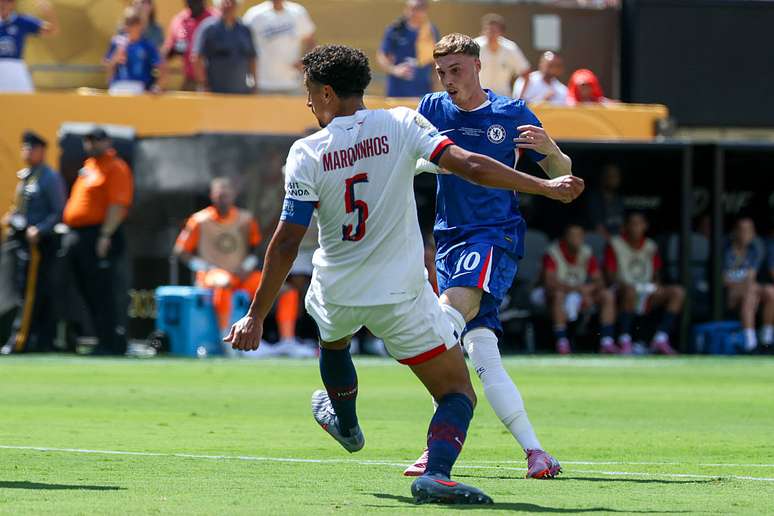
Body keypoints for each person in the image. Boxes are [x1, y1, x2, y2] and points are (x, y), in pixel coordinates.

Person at [225, 45, 582, 504]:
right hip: (400, 295)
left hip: (336, 288)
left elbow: (286, 241)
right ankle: (436, 473)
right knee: (457, 391)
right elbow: (471, 166)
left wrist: (255, 316)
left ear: (329, 94)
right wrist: (542, 186)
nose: (309, 103)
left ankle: (347, 424)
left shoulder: (305, 152)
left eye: (311, 94)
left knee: (332, 342)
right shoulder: (401, 123)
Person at [405, 33, 576, 480]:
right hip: (448, 240)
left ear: (479, 67)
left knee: (439, 326)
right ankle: (537, 453)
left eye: (456, 70)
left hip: (492, 236)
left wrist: (550, 150)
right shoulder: (432, 109)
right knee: (481, 351)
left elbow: (562, 175)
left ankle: (438, 446)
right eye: (442, 72)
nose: (448, 81)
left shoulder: (512, 113)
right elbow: (406, 156)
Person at [173, 177, 308, 356]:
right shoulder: (199, 220)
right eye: (220, 195)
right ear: (212, 196)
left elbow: (254, 248)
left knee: (286, 290)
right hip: (211, 275)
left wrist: (247, 265)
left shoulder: (246, 219)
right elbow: (180, 250)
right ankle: (229, 341)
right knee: (223, 282)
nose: (224, 199)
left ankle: (287, 341)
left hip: (241, 275)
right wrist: (203, 266)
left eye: (227, 195)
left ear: (234, 196)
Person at [62, 128, 133, 356]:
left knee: (103, 291)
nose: (91, 144)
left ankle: (111, 342)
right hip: (78, 235)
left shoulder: (116, 167)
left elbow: (117, 205)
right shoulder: (89, 166)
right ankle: (98, 339)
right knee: (85, 290)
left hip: (99, 235)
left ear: (108, 141)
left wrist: (105, 235)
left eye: (96, 140)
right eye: (88, 140)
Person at [0, 131, 65, 354]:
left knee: (29, 294)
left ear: (42, 151)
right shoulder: (25, 176)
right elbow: (20, 207)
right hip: (18, 241)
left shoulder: (49, 178)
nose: (27, 152)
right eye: (24, 147)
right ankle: (33, 338)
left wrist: (40, 229)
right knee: (19, 290)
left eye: (31, 148)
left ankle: (20, 339)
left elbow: (57, 212)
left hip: (37, 245)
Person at [604, 212, 684, 355]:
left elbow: (656, 274)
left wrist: (657, 285)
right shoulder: (615, 244)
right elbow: (610, 276)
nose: (636, 228)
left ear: (645, 226)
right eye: (633, 224)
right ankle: (625, 340)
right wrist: (626, 286)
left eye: (640, 224)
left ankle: (661, 338)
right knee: (630, 291)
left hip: (646, 290)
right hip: (622, 291)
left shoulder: (650, 246)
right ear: (626, 227)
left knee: (677, 292)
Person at [537, 224, 616, 355]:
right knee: (558, 295)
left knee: (607, 295)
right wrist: (578, 290)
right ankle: (562, 341)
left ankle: (607, 342)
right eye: (572, 235)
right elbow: (549, 282)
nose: (576, 239)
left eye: (579, 235)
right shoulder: (553, 252)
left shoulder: (586, 252)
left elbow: (599, 281)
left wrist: (589, 290)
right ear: (565, 237)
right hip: (546, 293)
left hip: (577, 293)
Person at [242, 0, 316, 94]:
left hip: (292, 82)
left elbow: (311, 41)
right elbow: (243, 44)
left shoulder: (297, 12)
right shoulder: (254, 15)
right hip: (263, 83)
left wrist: (305, 61)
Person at [723, 218, 774, 351]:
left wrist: (747, 285)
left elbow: (751, 276)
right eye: (743, 230)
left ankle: (766, 339)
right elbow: (724, 280)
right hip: (728, 296)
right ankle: (750, 343)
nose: (747, 234)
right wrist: (744, 284)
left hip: (748, 292)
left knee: (770, 291)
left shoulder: (753, 251)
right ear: (735, 231)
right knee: (751, 291)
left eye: (750, 230)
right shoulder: (725, 250)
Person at [377, 0, 439, 98]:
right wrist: (395, 70)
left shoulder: (431, 31)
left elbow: (436, 61)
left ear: (425, 10)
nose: (412, 12)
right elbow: (382, 56)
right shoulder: (395, 30)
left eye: (417, 8)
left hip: (422, 92)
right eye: (410, 8)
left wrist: (435, 88)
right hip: (397, 92)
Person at [192, 0, 256, 94]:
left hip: (241, 91)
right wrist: (203, 84)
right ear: (218, 4)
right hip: (215, 90)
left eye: (232, 2)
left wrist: (254, 83)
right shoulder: (208, 28)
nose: (229, 5)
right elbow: (197, 58)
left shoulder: (244, 29)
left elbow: (252, 58)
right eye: (225, 2)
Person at [0, 0, 58, 93]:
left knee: (24, 101)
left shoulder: (21, 20)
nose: (3, 4)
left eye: (8, 1)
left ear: (13, 4)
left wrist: (48, 12)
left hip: (15, 67)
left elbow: (52, 31)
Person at [105, 8, 164, 95]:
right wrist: (115, 58)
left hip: (139, 86)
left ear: (141, 25)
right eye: (127, 22)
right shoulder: (117, 42)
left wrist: (157, 87)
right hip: (118, 86)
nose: (129, 26)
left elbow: (162, 67)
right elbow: (108, 67)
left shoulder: (147, 45)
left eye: (133, 22)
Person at [162, 0, 217, 91]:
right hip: (190, 80)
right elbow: (167, 52)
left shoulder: (215, 18)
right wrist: (175, 49)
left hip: (213, 81)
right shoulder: (179, 20)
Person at [474, 13, 530, 97]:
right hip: (478, 98)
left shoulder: (511, 49)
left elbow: (526, 73)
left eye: (494, 31)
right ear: (483, 31)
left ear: (501, 32)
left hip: (503, 99)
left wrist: (520, 97)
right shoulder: (475, 46)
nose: (491, 34)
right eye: (488, 30)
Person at [586, 163, 625, 238]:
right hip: (600, 239)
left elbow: (622, 226)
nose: (616, 179)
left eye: (617, 176)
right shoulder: (594, 200)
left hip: (618, 240)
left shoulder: (619, 199)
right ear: (604, 178)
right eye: (612, 176)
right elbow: (598, 228)